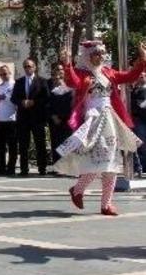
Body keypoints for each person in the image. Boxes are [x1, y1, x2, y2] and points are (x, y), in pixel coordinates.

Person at [56, 41, 146, 216]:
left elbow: (130, 76)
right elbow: (73, 82)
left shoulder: (108, 72)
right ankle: (77, 190)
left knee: (112, 162)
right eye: (96, 54)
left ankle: (106, 204)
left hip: (110, 119)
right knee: (97, 163)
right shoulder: (82, 73)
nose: (100, 57)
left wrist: (142, 59)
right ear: (88, 56)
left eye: (102, 54)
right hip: (93, 120)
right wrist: (67, 64)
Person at [11, 59, 49, 175]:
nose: (28, 68)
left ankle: (42, 168)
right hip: (23, 118)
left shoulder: (42, 81)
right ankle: (23, 169)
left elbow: (46, 97)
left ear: (34, 67)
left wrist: (34, 102)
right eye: (26, 67)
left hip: (37, 117)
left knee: (40, 143)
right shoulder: (19, 82)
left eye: (30, 66)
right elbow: (13, 98)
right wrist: (21, 102)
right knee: (23, 144)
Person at [0, 65, 18, 175]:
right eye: (1, 74)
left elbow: (17, 99)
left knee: (12, 145)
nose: (3, 76)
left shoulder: (14, 85)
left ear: (9, 73)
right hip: (0, 120)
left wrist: (5, 97)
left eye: (5, 73)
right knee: (0, 146)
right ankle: (1, 167)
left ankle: (11, 167)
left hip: (11, 119)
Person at [47, 64, 74, 168]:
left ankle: (68, 167)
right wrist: (53, 116)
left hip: (67, 120)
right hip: (55, 120)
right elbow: (47, 104)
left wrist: (66, 117)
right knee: (55, 143)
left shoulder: (70, 87)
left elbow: (71, 104)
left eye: (60, 76)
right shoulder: (51, 88)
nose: (58, 78)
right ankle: (57, 167)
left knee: (67, 143)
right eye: (56, 76)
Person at [132, 72, 146, 177]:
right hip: (139, 120)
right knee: (140, 144)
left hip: (141, 120)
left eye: (144, 76)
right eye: (140, 76)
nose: (142, 77)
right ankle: (140, 167)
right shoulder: (134, 90)